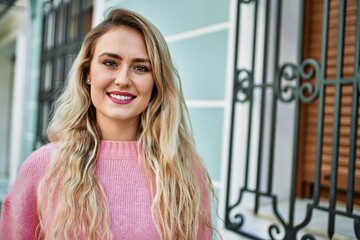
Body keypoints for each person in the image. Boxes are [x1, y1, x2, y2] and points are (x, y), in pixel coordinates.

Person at [0, 8, 215, 240]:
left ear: (156, 82)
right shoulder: (43, 166)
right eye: (110, 63)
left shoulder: (184, 169)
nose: (123, 80)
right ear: (87, 73)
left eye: (141, 67)